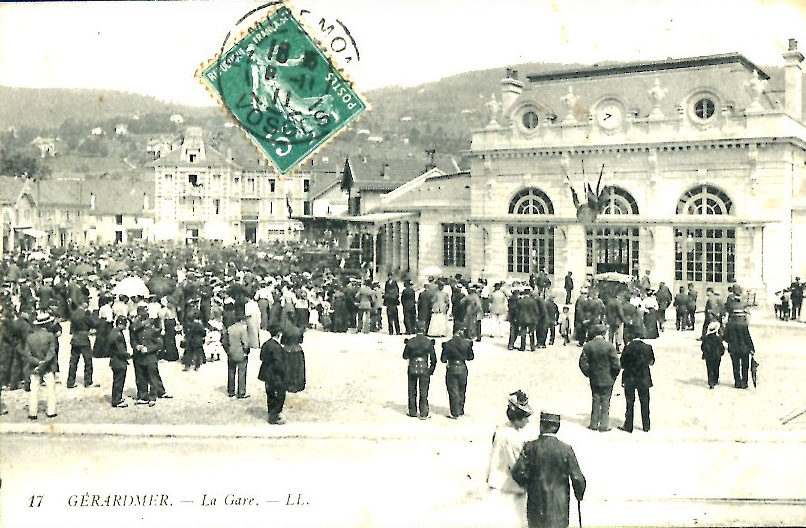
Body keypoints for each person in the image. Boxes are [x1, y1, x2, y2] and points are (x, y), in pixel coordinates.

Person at [511, 412, 586, 528]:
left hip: (536, 503)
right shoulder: (566, 450)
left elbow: (517, 472)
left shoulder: (530, 447)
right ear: (557, 428)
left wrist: (528, 483)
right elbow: (578, 479)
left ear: (541, 426)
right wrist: (579, 493)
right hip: (559, 506)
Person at [484, 391, 533, 528]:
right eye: (525, 418)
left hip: (495, 480)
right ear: (518, 417)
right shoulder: (513, 437)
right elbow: (517, 464)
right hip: (510, 487)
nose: (527, 421)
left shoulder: (501, 429)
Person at [578, 324, 620, 432]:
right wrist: (613, 375)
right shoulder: (609, 346)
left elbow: (582, 363)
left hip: (595, 378)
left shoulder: (588, 346)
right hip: (607, 378)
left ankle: (593, 424)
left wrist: (588, 373)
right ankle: (604, 425)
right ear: (604, 333)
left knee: (595, 399)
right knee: (606, 401)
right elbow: (616, 364)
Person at [22, 312, 59, 420]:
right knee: (50, 389)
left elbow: (27, 355)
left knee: (34, 389)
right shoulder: (50, 336)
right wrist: (44, 363)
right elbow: (51, 352)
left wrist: (37, 362)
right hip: (47, 367)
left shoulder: (30, 337)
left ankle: (33, 412)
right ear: (46, 324)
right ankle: (51, 411)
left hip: (34, 367)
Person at [619, 326, 655, 433]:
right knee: (645, 402)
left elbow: (622, 364)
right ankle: (646, 425)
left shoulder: (628, 348)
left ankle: (628, 425)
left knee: (630, 403)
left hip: (630, 378)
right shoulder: (648, 347)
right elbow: (651, 362)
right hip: (644, 378)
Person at [402, 323, 437, 419]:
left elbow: (405, 356)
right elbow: (433, 358)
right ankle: (423, 412)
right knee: (424, 391)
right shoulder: (428, 342)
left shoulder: (411, 342)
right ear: (424, 330)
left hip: (413, 367)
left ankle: (412, 411)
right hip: (424, 367)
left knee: (412, 390)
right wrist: (431, 369)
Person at [440, 327, 474, 419]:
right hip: (462, 367)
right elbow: (470, 357)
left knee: (453, 390)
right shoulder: (466, 344)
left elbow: (443, 360)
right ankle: (460, 410)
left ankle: (454, 412)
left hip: (451, 367)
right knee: (462, 390)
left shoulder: (447, 344)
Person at [258, 325, 288, 424]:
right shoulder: (277, 347)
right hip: (276, 375)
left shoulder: (266, 344)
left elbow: (261, 357)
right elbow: (278, 363)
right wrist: (284, 373)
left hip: (266, 373)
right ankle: (275, 416)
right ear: (279, 334)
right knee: (279, 395)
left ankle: (271, 413)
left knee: (270, 394)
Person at [67, 300, 98, 388]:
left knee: (73, 362)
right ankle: (88, 381)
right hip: (84, 339)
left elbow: (71, 329)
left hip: (75, 338)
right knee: (88, 361)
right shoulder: (85, 314)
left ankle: (70, 381)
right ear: (84, 304)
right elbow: (93, 323)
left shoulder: (73, 314)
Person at [108, 316, 133, 408]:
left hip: (114, 360)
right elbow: (120, 350)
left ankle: (117, 397)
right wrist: (128, 356)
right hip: (119, 361)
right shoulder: (118, 335)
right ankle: (116, 400)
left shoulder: (113, 332)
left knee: (117, 380)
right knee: (119, 381)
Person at [226, 313, 250, 398]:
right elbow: (246, 343)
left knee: (231, 372)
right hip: (240, 353)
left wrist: (227, 351)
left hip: (231, 353)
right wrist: (246, 352)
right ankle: (241, 392)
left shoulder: (230, 328)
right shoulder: (243, 330)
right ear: (242, 320)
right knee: (242, 372)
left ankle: (231, 391)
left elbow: (225, 341)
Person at [282, 323, 306, 394]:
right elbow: (301, 341)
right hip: (297, 350)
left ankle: (288, 383)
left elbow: (283, 341)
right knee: (298, 368)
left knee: (288, 367)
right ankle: (298, 384)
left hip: (287, 350)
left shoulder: (286, 330)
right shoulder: (299, 330)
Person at [701, 321, 724, 389]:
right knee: (716, 368)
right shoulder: (718, 338)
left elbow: (702, 347)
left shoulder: (706, 338)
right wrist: (721, 353)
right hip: (716, 355)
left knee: (709, 369)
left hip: (708, 356)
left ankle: (711, 382)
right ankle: (715, 380)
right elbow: (721, 347)